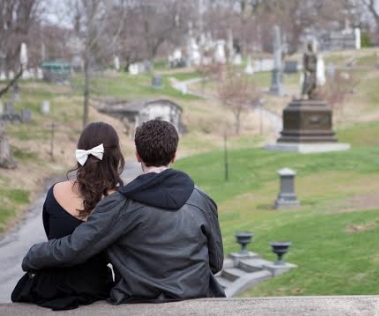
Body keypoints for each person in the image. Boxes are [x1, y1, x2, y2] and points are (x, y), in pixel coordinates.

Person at [21, 119, 225, 304]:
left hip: (139, 299)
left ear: (137, 155)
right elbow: (215, 263)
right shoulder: (203, 200)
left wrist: (33, 254)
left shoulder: (119, 204)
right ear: (174, 156)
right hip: (196, 296)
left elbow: (75, 248)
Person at [12, 121, 125, 310]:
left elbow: (51, 236)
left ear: (80, 152)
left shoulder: (55, 191)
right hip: (93, 285)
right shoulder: (120, 201)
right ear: (115, 156)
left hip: (47, 285)